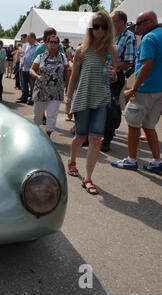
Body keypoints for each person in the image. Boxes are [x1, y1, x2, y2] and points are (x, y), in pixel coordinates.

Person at [65, 11, 118, 195]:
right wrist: (68, 100)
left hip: (101, 99)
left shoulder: (112, 51)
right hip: (83, 98)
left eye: (104, 26)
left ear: (108, 29)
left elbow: (113, 77)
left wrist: (114, 75)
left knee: (95, 138)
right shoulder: (81, 50)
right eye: (96, 26)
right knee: (80, 137)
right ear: (91, 28)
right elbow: (74, 79)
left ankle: (88, 178)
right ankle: (72, 161)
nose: (100, 30)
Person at [111, 10, 162, 173]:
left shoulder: (149, 38)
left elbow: (147, 65)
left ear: (150, 22)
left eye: (139, 23)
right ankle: (156, 160)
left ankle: (131, 160)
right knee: (149, 126)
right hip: (158, 90)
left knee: (133, 124)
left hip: (144, 89)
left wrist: (133, 89)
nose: (136, 27)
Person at [101, 10, 137, 153]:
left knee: (111, 108)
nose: (109, 23)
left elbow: (129, 62)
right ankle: (94, 133)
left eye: (112, 20)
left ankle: (107, 139)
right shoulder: (109, 36)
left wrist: (112, 68)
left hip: (116, 77)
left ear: (122, 22)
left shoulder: (129, 37)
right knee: (99, 105)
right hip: (101, 75)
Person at [30, 35, 69, 138]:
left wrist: (68, 86)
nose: (53, 44)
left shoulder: (62, 57)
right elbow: (31, 70)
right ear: (46, 43)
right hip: (41, 90)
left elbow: (66, 72)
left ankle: (48, 136)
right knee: (37, 115)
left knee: (52, 115)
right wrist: (37, 76)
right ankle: (36, 135)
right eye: (51, 42)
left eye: (55, 42)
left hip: (56, 91)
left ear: (58, 44)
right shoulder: (40, 56)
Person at [18, 33, 39, 105]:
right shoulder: (26, 45)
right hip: (24, 68)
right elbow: (24, 55)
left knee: (33, 85)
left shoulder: (38, 46)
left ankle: (32, 99)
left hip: (32, 69)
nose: (27, 39)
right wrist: (22, 63)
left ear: (33, 38)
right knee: (24, 84)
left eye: (28, 38)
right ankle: (24, 97)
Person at [17, 34, 28, 101]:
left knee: (23, 82)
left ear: (25, 38)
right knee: (22, 82)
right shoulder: (24, 45)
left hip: (23, 66)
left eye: (21, 38)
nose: (21, 40)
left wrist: (20, 52)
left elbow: (24, 55)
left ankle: (24, 97)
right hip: (22, 65)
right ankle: (23, 96)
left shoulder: (26, 45)